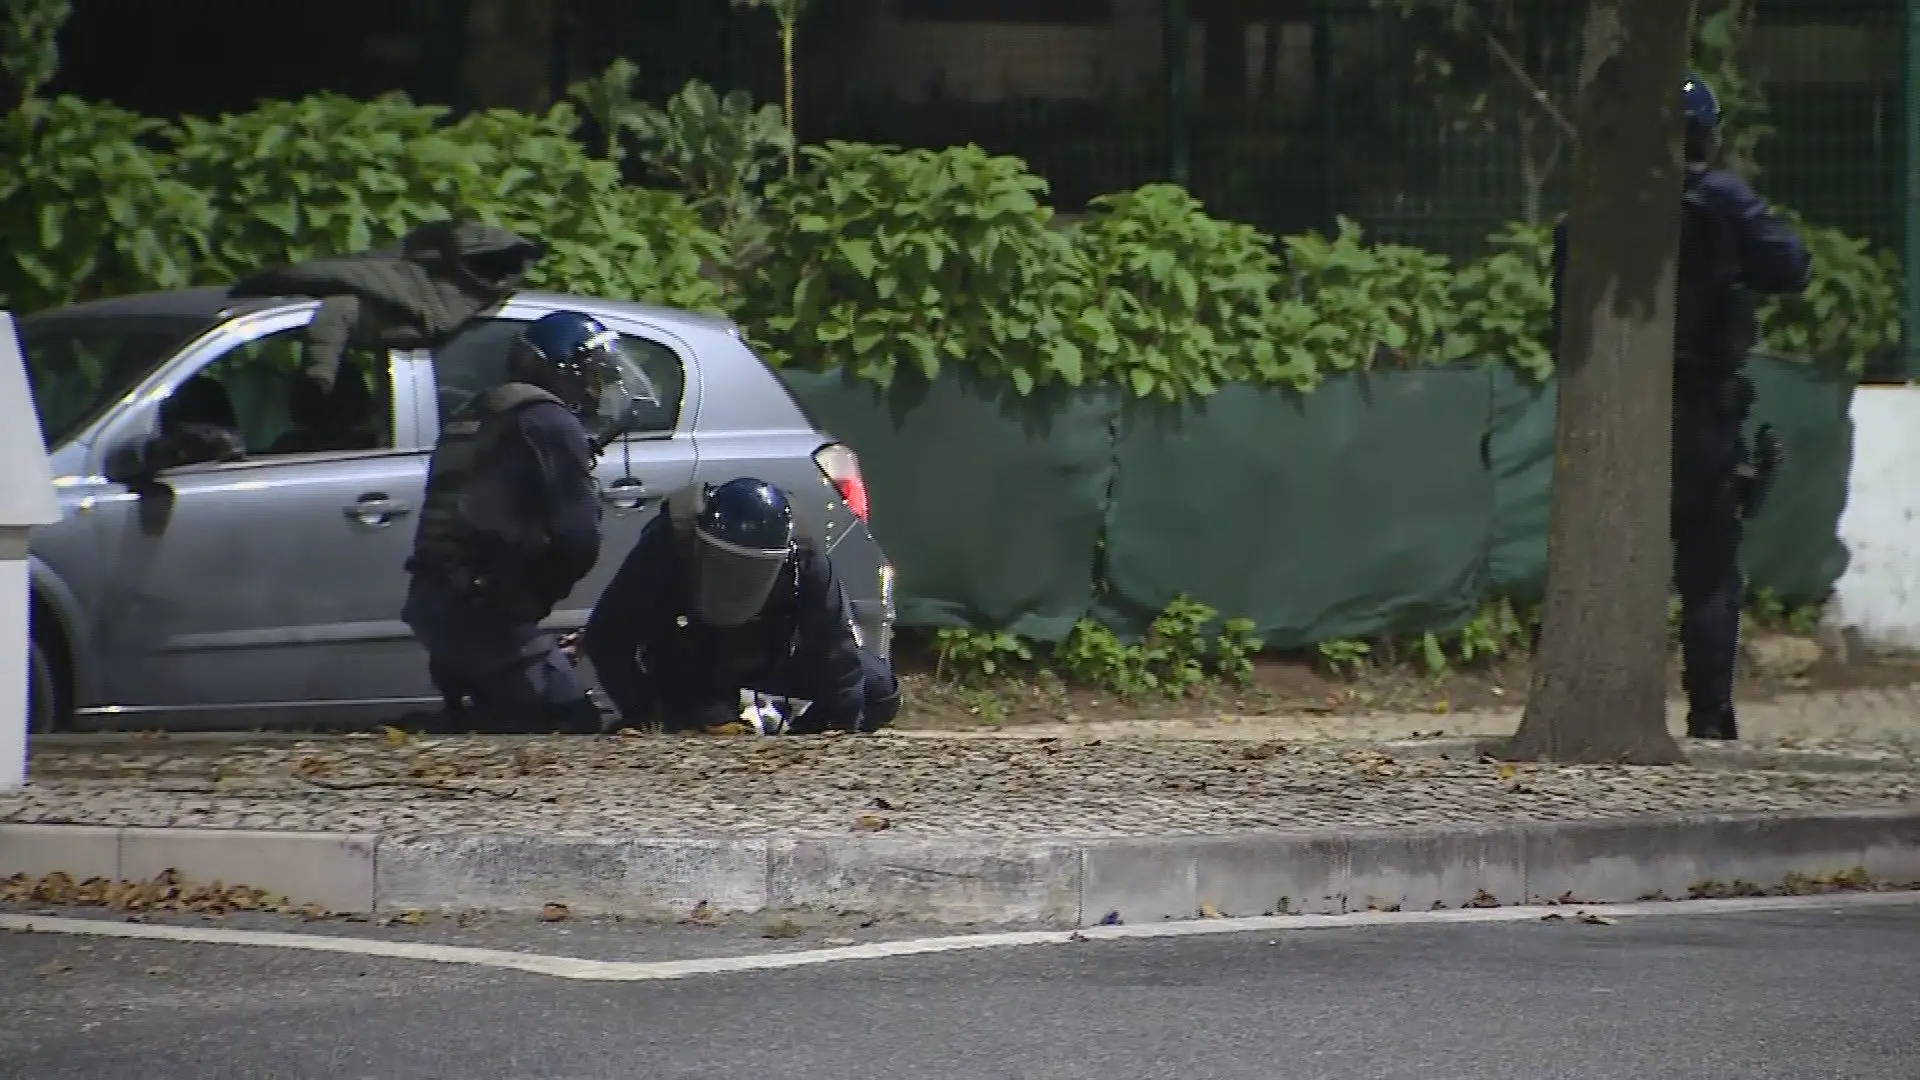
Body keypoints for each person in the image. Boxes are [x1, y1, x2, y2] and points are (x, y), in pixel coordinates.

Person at [1549, 73, 1811, 741]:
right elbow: (1790, 265)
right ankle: (1709, 717)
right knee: (1709, 568)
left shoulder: (1594, 205)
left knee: (1613, 563)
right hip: (1699, 411)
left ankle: (1600, 705)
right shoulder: (1719, 199)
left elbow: (1562, 307)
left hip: (1611, 411)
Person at [401, 310, 629, 734]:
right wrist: (533, 596)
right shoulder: (549, 421)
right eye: (592, 376)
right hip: (484, 618)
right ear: (560, 372)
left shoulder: (486, 411)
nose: (599, 391)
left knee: (499, 724)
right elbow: (578, 540)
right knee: (571, 724)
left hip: (437, 603)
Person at [581, 477, 901, 736]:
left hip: (769, 651)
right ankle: (699, 715)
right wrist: (646, 713)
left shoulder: (804, 558)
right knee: (702, 722)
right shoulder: (669, 542)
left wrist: (831, 732)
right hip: (691, 662)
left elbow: (838, 656)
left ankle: (788, 730)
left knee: (878, 690)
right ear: (700, 545)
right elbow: (607, 636)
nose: (737, 581)